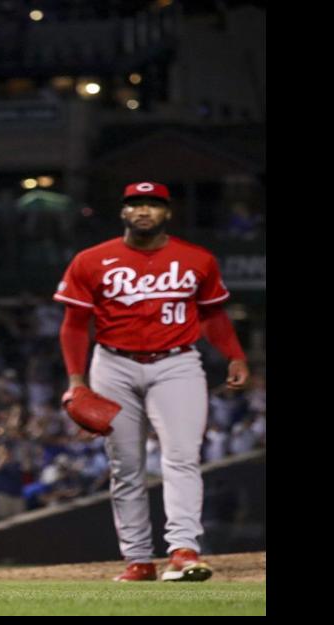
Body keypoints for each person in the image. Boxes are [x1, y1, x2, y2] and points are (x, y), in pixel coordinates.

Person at [54, 182, 248, 582]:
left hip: (177, 363)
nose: (144, 211)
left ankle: (183, 550)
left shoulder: (197, 259)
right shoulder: (92, 259)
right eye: (136, 204)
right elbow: (74, 325)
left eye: (153, 205)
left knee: (182, 457)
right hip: (112, 364)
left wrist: (235, 354)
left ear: (167, 212)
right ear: (123, 211)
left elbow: (213, 315)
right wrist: (76, 381)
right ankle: (138, 559)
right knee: (126, 465)